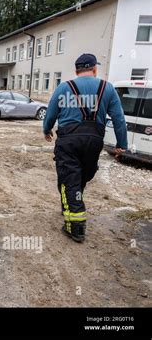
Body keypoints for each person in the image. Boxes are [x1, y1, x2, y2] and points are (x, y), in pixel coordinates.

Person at [43, 53, 127, 243]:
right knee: (81, 176)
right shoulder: (108, 88)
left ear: (76, 71)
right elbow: (119, 119)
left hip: (68, 141)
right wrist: (122, 144)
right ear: (95, 69)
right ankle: (72, 204)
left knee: (69, 178)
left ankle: (76, 226)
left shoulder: (64, 87)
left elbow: (51, 113)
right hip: (94, 141)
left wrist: (47, 130)